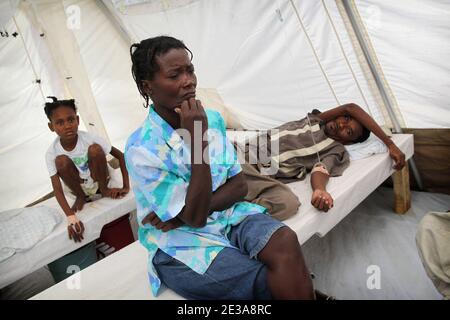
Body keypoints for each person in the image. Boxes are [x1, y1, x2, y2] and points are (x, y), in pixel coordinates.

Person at [125, 36, 317, 299]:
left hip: (227, 216)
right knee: (260, 278)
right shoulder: (142, 149)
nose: (188, 80)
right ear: (148, 87)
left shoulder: (211, 119)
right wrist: (197, 140)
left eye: (189, 70)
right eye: (174, 75)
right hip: (178, 242)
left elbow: (238, 187)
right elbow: (195, 220)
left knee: (285, 241)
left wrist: (181, 214)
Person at [240, 104, 406, 218]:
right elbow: (351, 107)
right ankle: (226, 196)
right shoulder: (314, 120)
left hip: (260, 177)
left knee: (288, 204)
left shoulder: (335, 150)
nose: (342, 125)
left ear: (349, 143)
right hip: (239, 154)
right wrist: (389, 143)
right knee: (215, 135)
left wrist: (319, 190)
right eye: (346, 119)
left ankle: (229, 208)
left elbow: (320, 170)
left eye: (348, 132)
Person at [44, 97, 130, 242]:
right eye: (59, 123)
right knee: (61, 161)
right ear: (51, 127)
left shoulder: (89, 138)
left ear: (77, 120)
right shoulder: (52, 153)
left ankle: (103, 190)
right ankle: (81, 196)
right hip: (77, 186)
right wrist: (71, 217)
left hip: (99, 180)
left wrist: (126, 186)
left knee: (95, 149)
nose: (67, 126)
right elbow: (57, 190)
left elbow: (120, 156)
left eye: (70, 120)